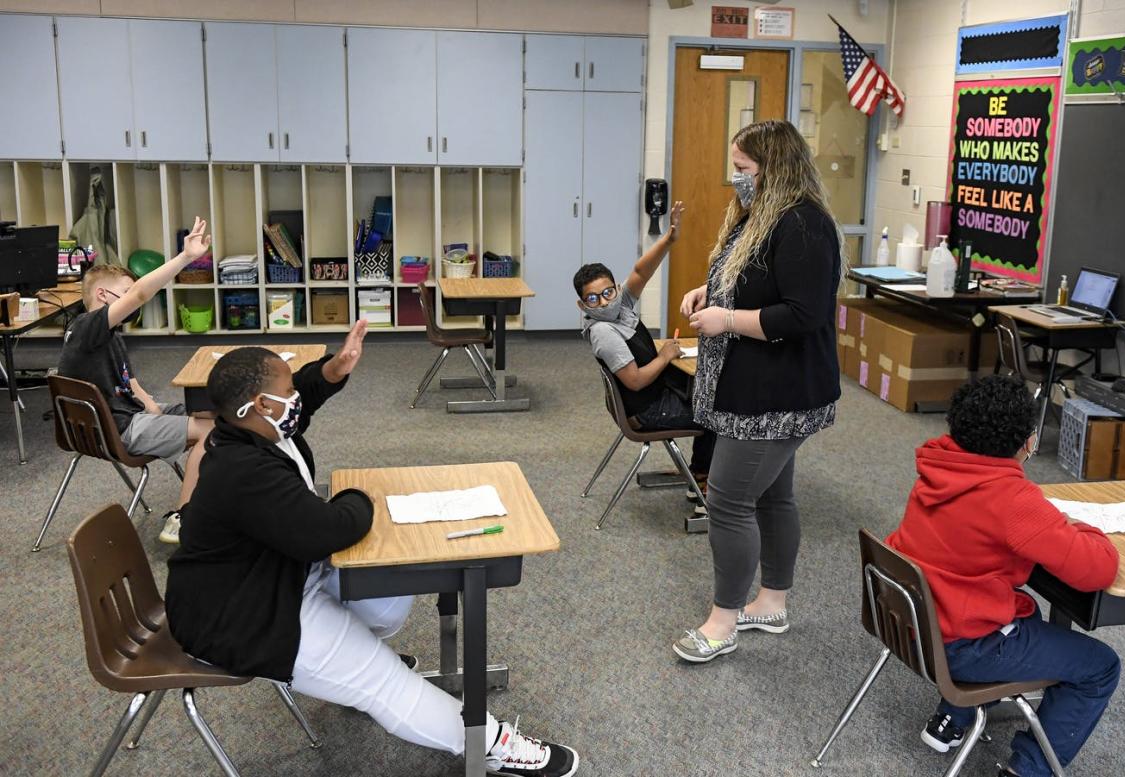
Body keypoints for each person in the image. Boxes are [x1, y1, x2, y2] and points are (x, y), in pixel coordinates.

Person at [165, 328, 578, 777]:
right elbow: (328, 530)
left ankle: (354, 658)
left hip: (279, 573)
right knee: (386, 683)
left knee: (390, 591)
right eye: (286, 392)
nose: (296, 398)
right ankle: (492, 744)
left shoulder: (255, 428)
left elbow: (306, 388)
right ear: (262, 405)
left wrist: (333, 368)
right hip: (244, 615)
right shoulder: (242, 469)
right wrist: (361, 495)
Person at [888, 376, 1121, 777]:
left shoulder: (936, 465)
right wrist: (1077, 525)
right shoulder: (1012, 499)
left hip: (915, 624)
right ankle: (1028, 770)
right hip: (962, 645)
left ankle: (953, 719)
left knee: (1024, 612)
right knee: (1100, 666)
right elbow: (1098, 568)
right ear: (1028, 442)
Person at [673, 120, 843, 662]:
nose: (737, 180)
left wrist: (728, 319)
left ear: (775, 169)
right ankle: (771, 602)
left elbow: (803, 312)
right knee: (772, 495)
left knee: (727, 499)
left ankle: (723, 622)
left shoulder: (805, 225)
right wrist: (712, 291)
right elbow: (753, 277)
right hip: (755, 386)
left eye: (744, 170)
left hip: (780, 394)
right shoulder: (762, 217)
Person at [58, 217, 214, 544]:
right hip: (119, 428)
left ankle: (218, 500)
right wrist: (185, 257)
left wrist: (156, 410)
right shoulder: (87, 328)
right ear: (102, 294)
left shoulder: (109, 335)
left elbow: (130, 382)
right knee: (212, 431)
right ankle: (181, 518)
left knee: (217, 414)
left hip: (134, 417)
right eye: (124, 293)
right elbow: (143, 293)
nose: (131, 298)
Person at [574, 201, 713, 505]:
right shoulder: (603, 332)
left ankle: (700, 471)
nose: (604, 301)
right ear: (583, 306)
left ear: (616, 288)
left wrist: (669, 238)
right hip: (646, 411)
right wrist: (665, 356)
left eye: (608, 292)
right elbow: (635, 381)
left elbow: (641, 270)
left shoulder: (620, 306)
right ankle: (700, 481)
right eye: (593, 299)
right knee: (715, 415)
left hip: (649, 399)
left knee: (703, 391)